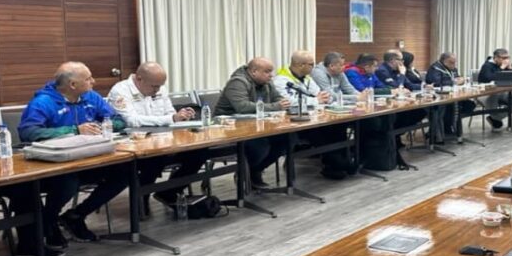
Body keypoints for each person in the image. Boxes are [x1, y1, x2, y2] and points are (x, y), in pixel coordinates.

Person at [18, 62, 128, 245]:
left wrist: (101, 126)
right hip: (55, 166)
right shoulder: (43, 102)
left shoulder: (91, 97)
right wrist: (74, 130)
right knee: (68, 182)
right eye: (88, 79)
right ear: (73, 85)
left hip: (89, 158)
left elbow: (118, 120)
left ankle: (76, 215)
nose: (93, 81)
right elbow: (28, 132)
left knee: (124, 173)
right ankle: (49, 220)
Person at [107, 62, 209, 206]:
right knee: (155, 157)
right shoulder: (120, 91)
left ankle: (169, 192)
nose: (158, 90)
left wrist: (182, 115)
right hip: (136, 144)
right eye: (154, 86)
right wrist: (171, 118)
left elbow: (169, 113)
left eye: (160, 86)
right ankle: (141, 199)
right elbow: (132, 121)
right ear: (139, 79)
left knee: (199, 152)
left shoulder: (159, 88)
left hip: (163, 140)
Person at [214, 57, 290, 188]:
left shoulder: (267, 82)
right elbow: (242, 107)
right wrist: (276, 106)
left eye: (271, 71)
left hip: (255, 124)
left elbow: (278, 98)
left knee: (285, 140)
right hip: (229, 126)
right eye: (267, 71)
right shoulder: (237, 82)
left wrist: (282, 103)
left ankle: (254, 171)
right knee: (260, 144)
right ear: (254, 71)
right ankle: (247, 173)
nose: (271, 75)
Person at [274, 51, 351, 180]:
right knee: (323, 132)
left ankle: (338, 164)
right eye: (311, 64)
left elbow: (322, 95)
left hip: (313, 117)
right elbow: (290, 102)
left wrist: (322, 98)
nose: (313, 67)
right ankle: (338, 164)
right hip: (294, 121)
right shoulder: (281, 80)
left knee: (339, 126)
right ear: (300, 65)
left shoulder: (307, 78)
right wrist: (316, 100)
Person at [425, 52, 476, 137]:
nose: (454, 65)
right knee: (449, 107)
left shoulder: (452, 68)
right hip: (439, 97)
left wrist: (461, 80)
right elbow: (436, 83)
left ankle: (450, 126)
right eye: (451, 62)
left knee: (470, 105)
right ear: (444, 61)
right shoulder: (435, 68)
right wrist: (454, 82)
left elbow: (458, 78)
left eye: (455, 62)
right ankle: (444, 129)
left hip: (453, 95)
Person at [477, 48, 512, 130]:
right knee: (494, 99)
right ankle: (495, 118)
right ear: (496, 58)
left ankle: (495, 118)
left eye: (507, 57)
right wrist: (501, 68)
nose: (506, 60)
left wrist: (510, 68)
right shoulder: (487, 66)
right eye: (504, 58)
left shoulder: (506, 65)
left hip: (501, 92)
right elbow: (489, 79)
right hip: (485, 93)